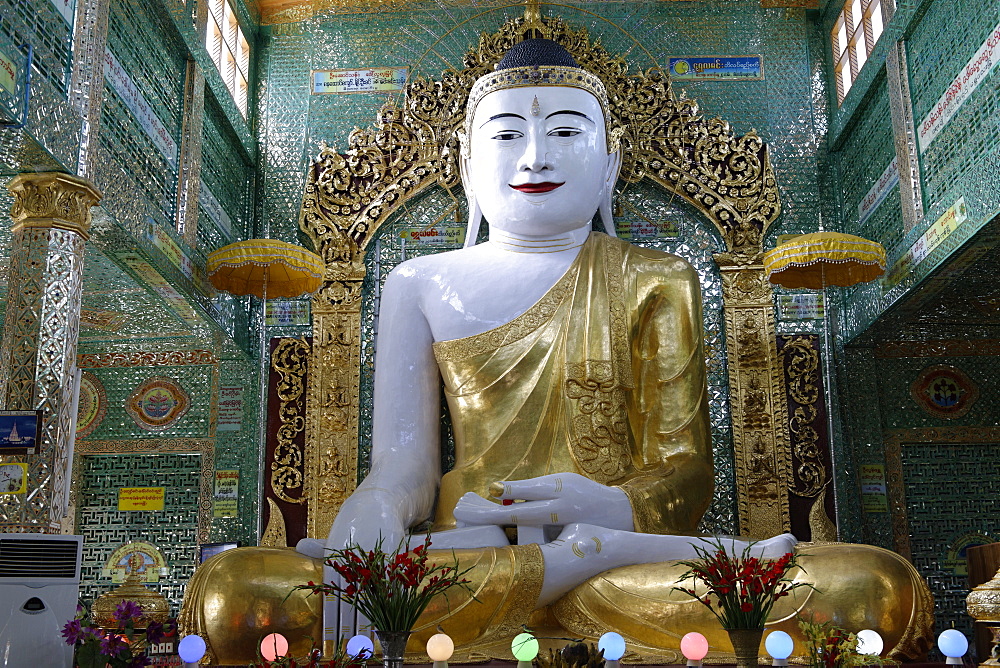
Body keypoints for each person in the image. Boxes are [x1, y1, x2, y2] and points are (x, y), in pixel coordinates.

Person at [180, 38, 933, 665]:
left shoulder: (655, 278)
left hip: (633, 565)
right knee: (237, 590)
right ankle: (573, 563)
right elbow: (405, 464)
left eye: (568, 131)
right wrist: (371, 519)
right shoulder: (419, 282)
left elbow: (686, 470)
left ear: (608, 164)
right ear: (468, 167)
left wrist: (606, 504)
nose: (535, 155)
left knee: (867, 584)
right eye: (506, 134)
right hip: (465, 549)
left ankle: (585, 555)